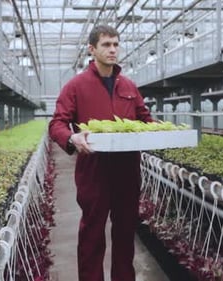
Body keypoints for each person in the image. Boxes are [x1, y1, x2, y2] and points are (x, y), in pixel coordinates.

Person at [48, 24, 153, 281]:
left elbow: (146, 120)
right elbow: (57, 124)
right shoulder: (76, 86)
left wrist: (160, 132)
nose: (113, 49)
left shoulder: (128, 86)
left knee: (125, 235)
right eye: (106, 45)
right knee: (92, 236)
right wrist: (71, 137)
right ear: (92, 49)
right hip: (93, 172)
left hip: (127, 172)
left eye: (116, 44)